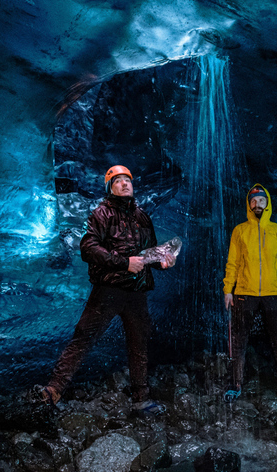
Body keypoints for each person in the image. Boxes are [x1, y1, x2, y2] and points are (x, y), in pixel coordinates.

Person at [36, 165, 176, 414]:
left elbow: (151, 253)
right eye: (118, 181)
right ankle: (53, 391)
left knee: (139, 343)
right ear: (110, 188)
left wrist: (164, 262)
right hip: (108, 289)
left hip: (137, 292)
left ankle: (141, 400)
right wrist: (124, 262)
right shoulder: (102, 213)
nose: (124, 184)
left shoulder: (142, 217)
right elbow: (88, 248)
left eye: (127, 180)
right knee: (83, 338)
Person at [222, 184, 277, 400]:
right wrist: (228, 289)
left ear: (268, 203)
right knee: (238, 340)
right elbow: (233, 262)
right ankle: (235, 384)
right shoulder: (240, 230)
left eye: (261, 200)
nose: (257, 204)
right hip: (244, 292)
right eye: (253, 201)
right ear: (249, 204)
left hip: (272, 292)